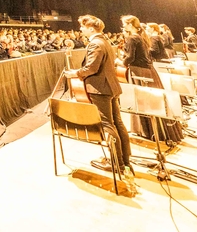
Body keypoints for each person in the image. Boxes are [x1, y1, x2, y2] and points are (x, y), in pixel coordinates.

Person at [63, 15, 134, 193]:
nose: (81, 30)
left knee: (107, 124)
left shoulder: (95, 43)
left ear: (91, 28)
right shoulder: (105, 41)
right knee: (118, 122)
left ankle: (115, 162)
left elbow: (91, 68)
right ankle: (125, 161)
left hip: (101, 89)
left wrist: (75, 74)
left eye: (83, 27)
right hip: (110, 87)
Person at [117, 15, 182, 143]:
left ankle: (147, 131)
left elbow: (130, 58)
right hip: (148, 71)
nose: (123, 26)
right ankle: (158, 131)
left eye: (124, 24)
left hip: (139, 71)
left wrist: (120, 61)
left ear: (130, 25)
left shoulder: (132, 38)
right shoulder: (142, 37)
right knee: (154, 101)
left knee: (142, 101)